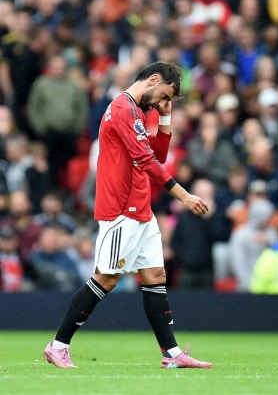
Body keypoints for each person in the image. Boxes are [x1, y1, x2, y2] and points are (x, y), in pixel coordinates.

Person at [43, 61, 212, 369]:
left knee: (155, 276)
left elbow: (158, 155)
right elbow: (147, 160)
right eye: (165, 96)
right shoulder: (122, 108)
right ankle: (57, 345)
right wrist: (184, 195)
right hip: (121, 209)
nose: (162, 103)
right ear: (153, 79)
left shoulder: (136, 111)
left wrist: (166, 117)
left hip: (141, 208)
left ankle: (172, 354)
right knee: (106, 278)